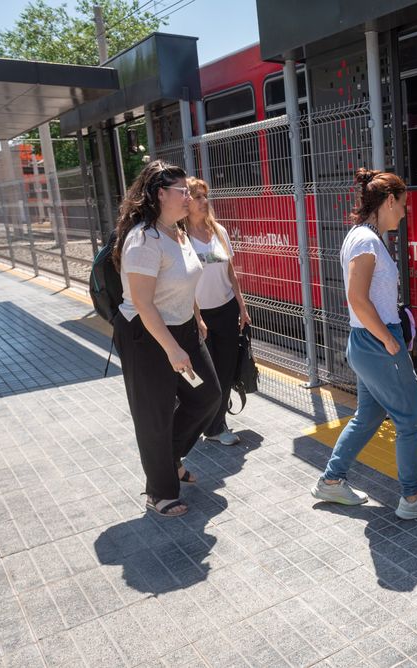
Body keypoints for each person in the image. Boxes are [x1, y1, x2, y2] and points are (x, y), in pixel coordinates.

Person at [312, 168, 417, 520]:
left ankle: (331, 480)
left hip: (366, 341)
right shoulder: (366, 242)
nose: (405, 213)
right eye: (403, 205)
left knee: (370, 414)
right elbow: (358, 299)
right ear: (389, 201)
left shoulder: (362, 237)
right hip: (377, 342)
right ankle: (413, 497)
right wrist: (390, 340)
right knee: (413, 417)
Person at [111, 160, 221, 517]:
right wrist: (172, 348)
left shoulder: (178, 232)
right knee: (154, 414)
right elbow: (143, 302)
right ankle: (159, 491)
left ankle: (168, 457)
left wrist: (197, 319)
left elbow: (185, 280)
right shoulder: (144, 239)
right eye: (182, 191)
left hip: (184, 328)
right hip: (148, 335)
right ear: (161, 194)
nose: (189, 196)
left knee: (208, 396)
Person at [185, 176, 251, 446]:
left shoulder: (219, 232)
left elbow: (230, 272)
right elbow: (183, 282)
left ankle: (216, 425)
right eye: (197, 197)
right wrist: (197, 316)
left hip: (225, 310)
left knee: (224, 371)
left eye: (205, 196)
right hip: (197, 316)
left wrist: (242, 306)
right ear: (186, 203)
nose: (204, 201)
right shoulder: (181, 237)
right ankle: (201, 420)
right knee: (206, 376)